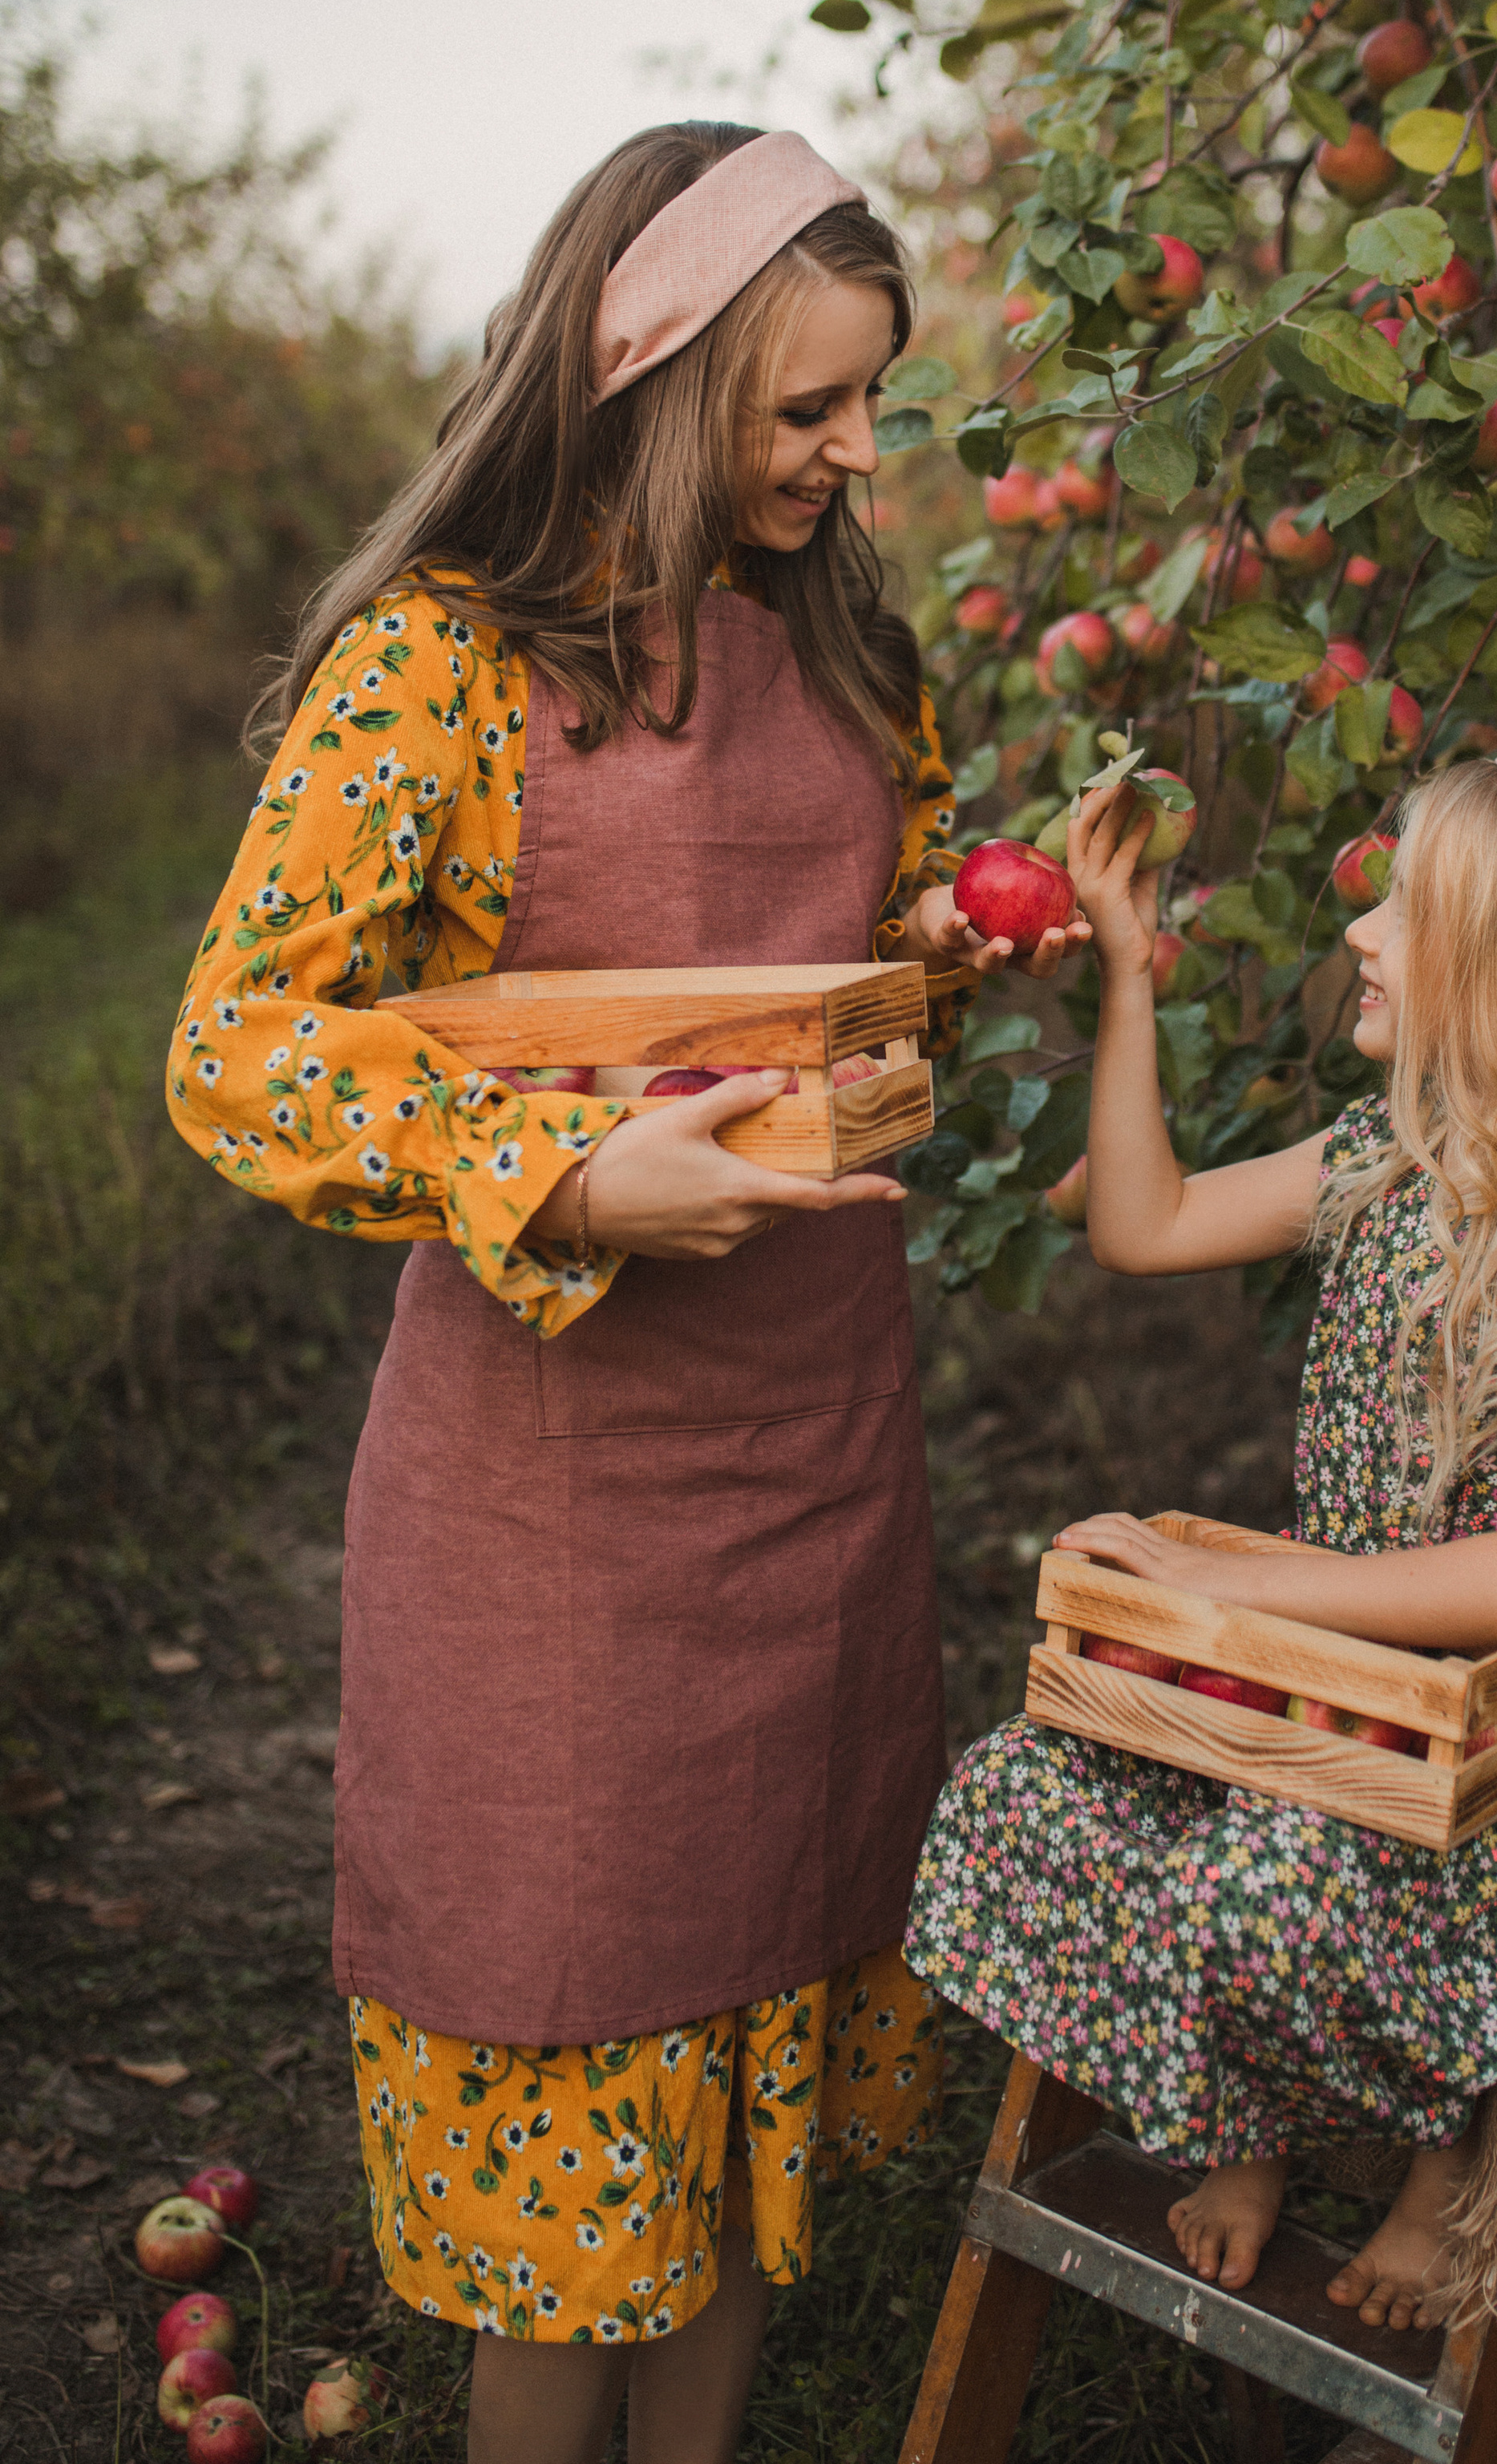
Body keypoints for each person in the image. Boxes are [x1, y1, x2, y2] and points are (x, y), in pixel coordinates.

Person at [167, 123, 1086, 2464]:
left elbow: (860, 1026)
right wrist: (564, 1177)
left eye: (871, 401)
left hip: (815, 1463)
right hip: (554, 1516)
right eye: (811, 410)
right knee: (579, 2063)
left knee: (755, 2067)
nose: (860, 452)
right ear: (659, 372)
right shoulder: (442, 679)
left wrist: (986, 941)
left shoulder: (855, 661)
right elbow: (237, 1051)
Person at [906, 754, 1497, 2330]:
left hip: (1480, 1753)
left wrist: (1240, 1574)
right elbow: (1142, 1223)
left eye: (1406, 910)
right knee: (1019, 1792)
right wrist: (1124, 964)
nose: (1366, 935)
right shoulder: (1378, 1164)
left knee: (1258, 1887)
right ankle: (1241, 2125)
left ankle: (1435, 2163)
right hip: (1309, 1698)